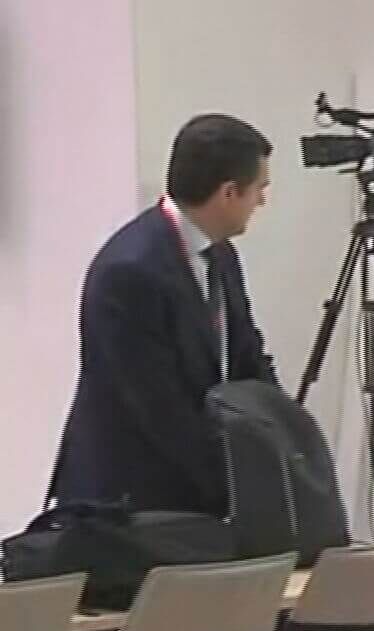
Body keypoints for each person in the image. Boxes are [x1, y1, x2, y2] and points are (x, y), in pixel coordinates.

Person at [52, 114, 275, 517]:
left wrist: (283, 446)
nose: (262, 201)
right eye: (259, 189)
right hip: (130, 503)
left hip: (190, 487)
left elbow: (246, 358)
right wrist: (230, 484)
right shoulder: (131, 270)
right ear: (228, 193)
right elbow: (156, 405)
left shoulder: (221, 254)